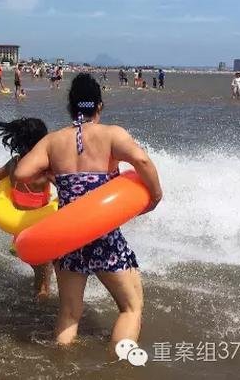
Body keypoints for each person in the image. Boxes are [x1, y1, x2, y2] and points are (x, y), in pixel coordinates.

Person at [14, 73, 162, 346]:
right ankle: (120, 365)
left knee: (69, 312)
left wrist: (51, 173)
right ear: (99, 106)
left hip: (68, 236)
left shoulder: (53, 141)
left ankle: (61, 362)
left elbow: (22, 172)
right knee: (130, 308)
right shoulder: (112, 134)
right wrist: (155, 196)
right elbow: (141, 160)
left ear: (70, 106)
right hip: (102, 235)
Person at [0, 118, 53, 302]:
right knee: (43, 285)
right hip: (40, 232)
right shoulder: (44, 168)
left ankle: (34, 305)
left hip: (20, 235)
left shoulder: (13, 164)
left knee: (41, 273)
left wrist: (11, 195)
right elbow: (67, 189)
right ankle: (40, 313)